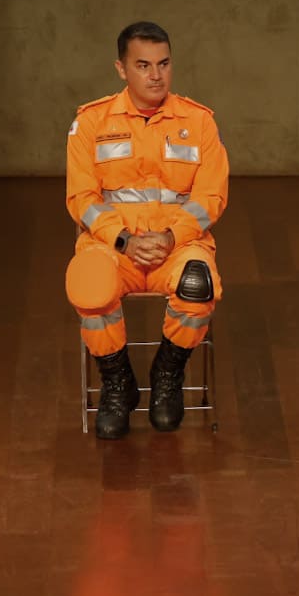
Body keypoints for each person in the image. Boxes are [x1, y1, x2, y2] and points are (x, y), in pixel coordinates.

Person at [65, 21, 229, 439]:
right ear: (121, 69)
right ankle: (117, 381)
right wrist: (125, 240)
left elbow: (211, 197)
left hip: (177, 246)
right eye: (143, 65)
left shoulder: (199, 122)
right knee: (90, 284)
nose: (156, 75)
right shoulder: (91, 122)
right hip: (114, 247)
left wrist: (171, 237)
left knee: (197, 284)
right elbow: (82, 198)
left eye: (163, 64)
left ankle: (168, 373)